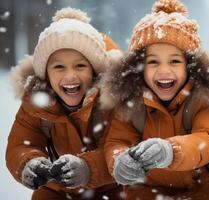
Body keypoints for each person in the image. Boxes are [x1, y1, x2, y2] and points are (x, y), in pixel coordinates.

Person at [99, 0, 209, 199]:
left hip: (203, 191)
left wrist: (171, 151)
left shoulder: (206, 95)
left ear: (190, 66)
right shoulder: (131, 100)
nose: (164, 70)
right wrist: (119, 160)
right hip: (149, 191)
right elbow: (117, 140)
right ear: (139, 67)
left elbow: (208, 138)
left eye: (174, 61)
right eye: (153, 62)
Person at [6, 7, 123, 200]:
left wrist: (88, 168)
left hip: (111, 189)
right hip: (56, 189)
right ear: (45, 75)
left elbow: (122, 148)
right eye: (58, 67)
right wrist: (28, 163)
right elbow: (21, 144)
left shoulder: (111, 102)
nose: (70, 75)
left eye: (80, 65)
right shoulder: (36, 104)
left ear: (94, 70)